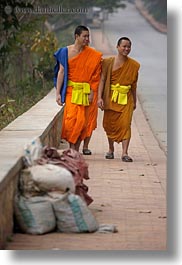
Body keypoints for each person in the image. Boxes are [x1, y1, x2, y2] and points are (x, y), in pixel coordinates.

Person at [54, 25, 102, 152]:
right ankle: (71, 148)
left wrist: (92, 92)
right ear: (76, 36)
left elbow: (95, 76)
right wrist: (58, 93)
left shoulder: (93, 55)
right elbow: (61, 72)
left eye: (88, 36)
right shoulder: (65, 52)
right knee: (70, 121)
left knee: (82, 123)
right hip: (71, 91)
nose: (87, 39)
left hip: (86, 92)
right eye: (84, 36)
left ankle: (75, 150)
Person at [97, 37, 140, 162]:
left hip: (126, 99)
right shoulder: (107, 62)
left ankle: (125, 153)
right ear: (117, 47)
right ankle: (111, 150)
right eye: (124, 46)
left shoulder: (134, 65)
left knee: (126, 125)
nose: (126, 49)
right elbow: (103, 80)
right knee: (110, 125)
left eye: (129, 46)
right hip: (110, 98)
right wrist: (99, 97)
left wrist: (135, 101)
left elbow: (133, 85)